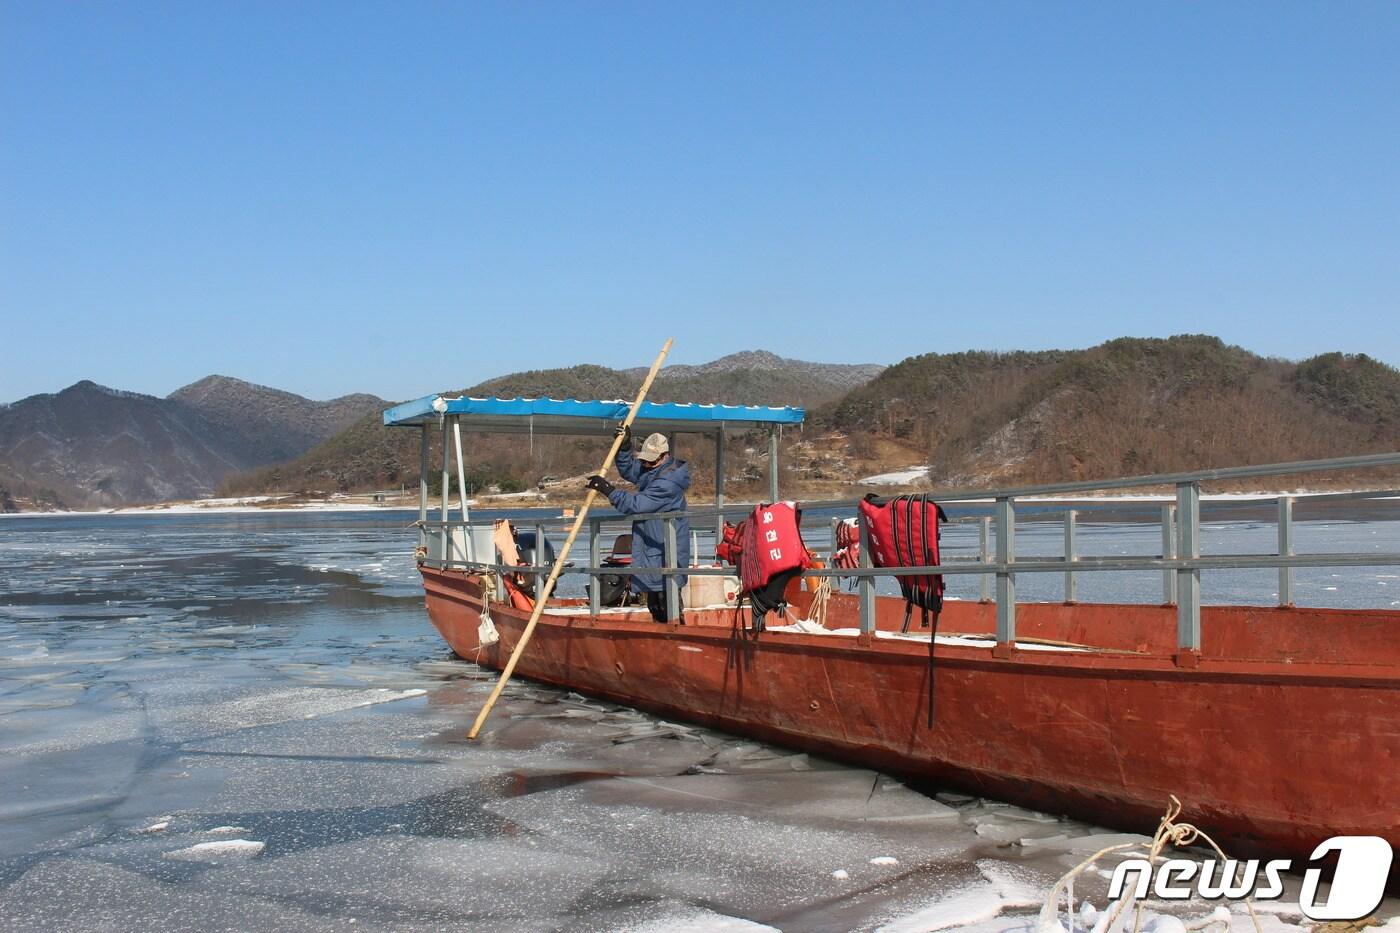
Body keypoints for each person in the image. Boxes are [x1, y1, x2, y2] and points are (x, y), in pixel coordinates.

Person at [586, 426, 691, 623]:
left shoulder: (668, 483)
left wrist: (608, 489)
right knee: (655, 603)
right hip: (652, 547)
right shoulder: (653, 470)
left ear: (664, 456)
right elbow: (629, 469)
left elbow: (637, 505)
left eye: (650, 460)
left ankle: (676, 641)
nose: (646, 464)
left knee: (668, 603)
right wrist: (624, 445)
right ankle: (661, 642)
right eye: (644, 459)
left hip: (666, 551)